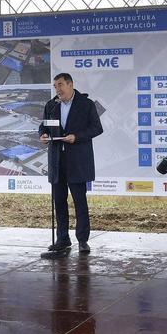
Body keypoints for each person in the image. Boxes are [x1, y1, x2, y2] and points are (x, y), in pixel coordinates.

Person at [38, 73, 103, 259]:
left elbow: (97, 128)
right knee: (59, 202)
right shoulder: (52, 105)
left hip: (78, 161)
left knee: (79, 202)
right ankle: (62, 239)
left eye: (60, 85)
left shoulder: (86, 104)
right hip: (57, 161)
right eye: (55, 86)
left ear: (70, 84)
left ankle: (82, 239)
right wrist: (42, 135)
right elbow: (44, 126)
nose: (57, 89)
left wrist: (77, 136)